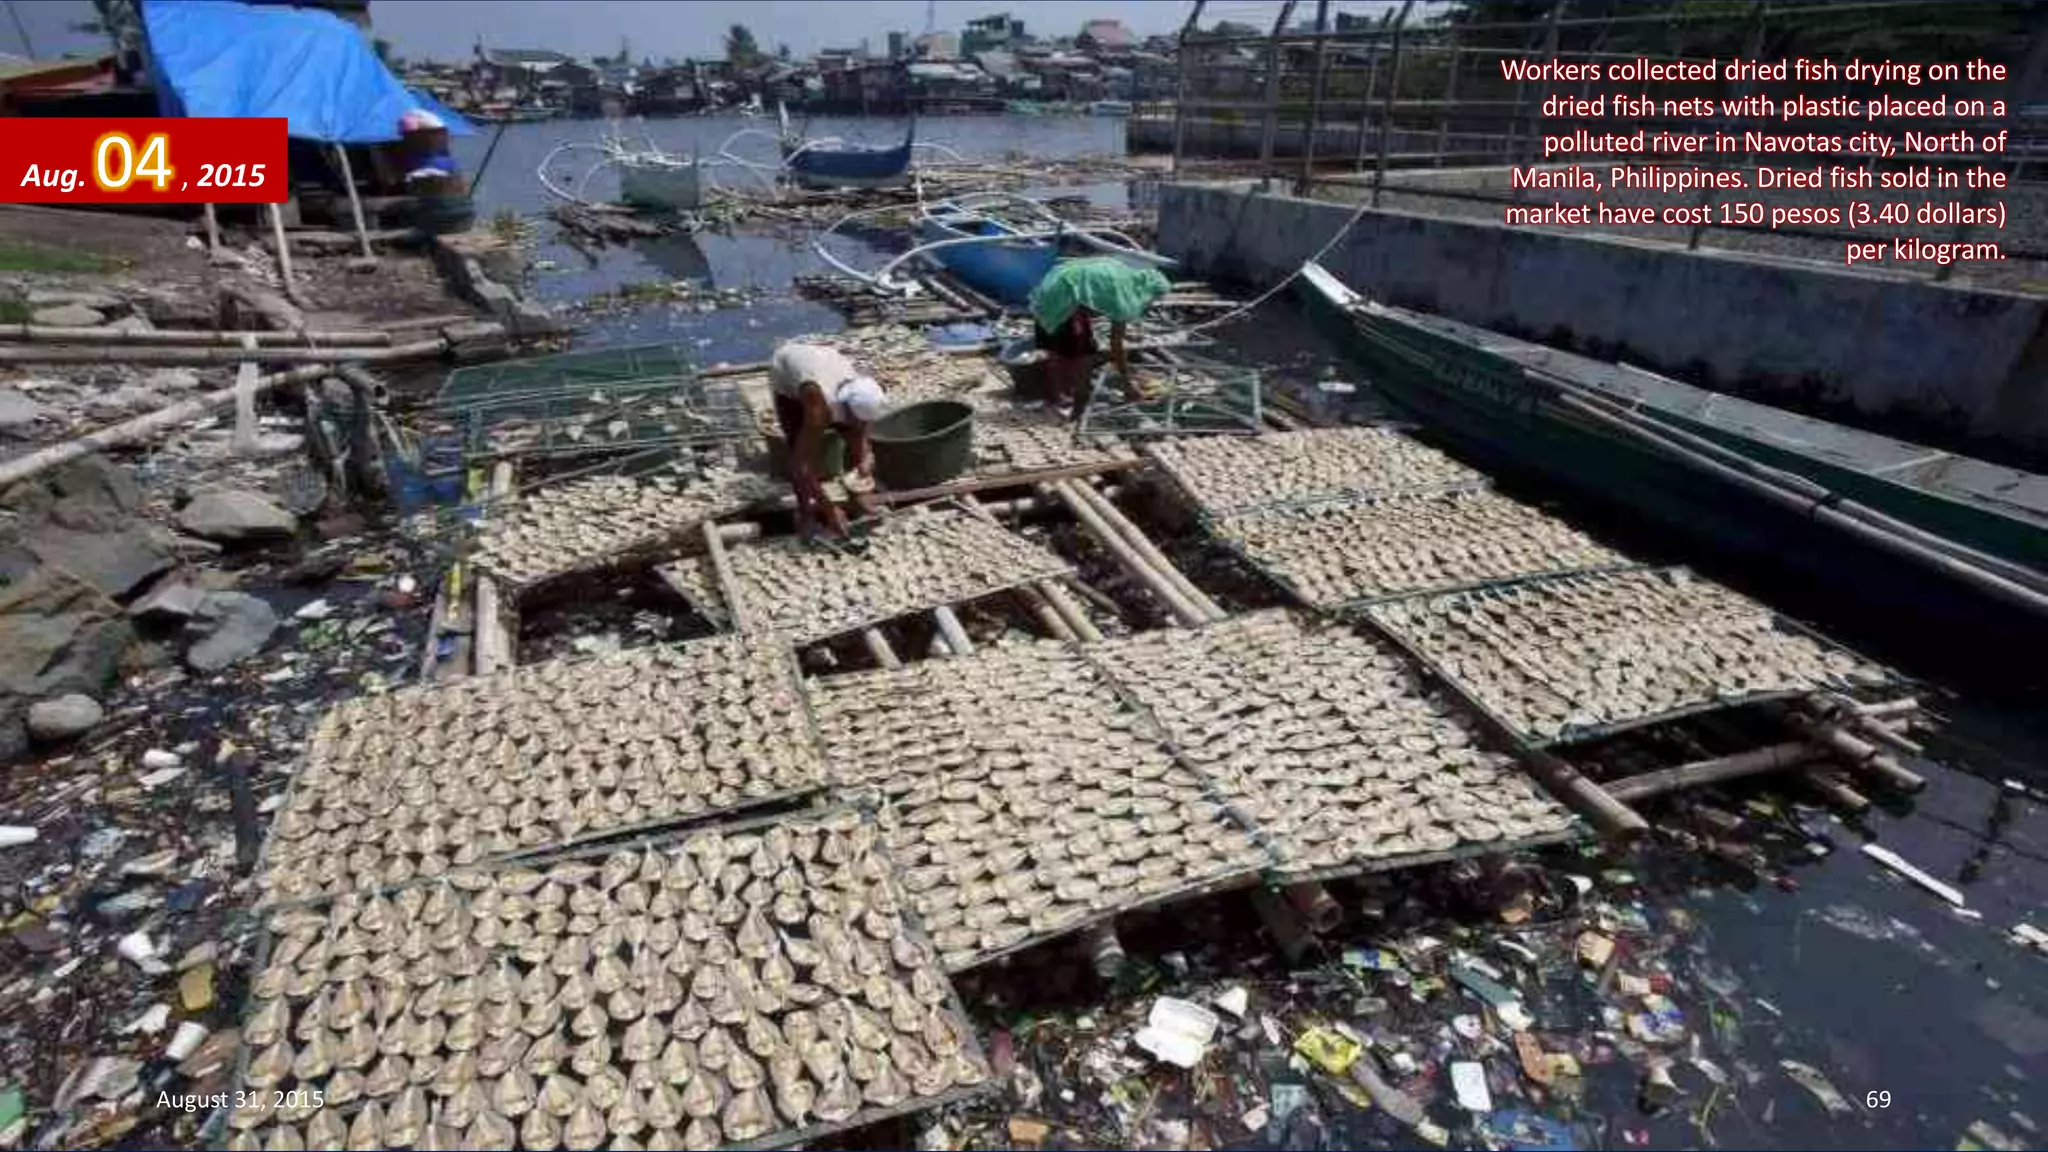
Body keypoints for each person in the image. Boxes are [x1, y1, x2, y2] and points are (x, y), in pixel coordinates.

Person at [768, 341, 888, 539]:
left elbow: (861, 431)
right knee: (800, 449)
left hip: (824, 363)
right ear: (847, 411)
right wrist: (828, 507)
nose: (859, 425)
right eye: (855, 420)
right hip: (789, 371)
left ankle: (857, 500)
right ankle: (806, 516)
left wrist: (865, 458)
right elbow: (801, 465)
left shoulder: (864, 390)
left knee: (857, 445)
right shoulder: (818, 407)